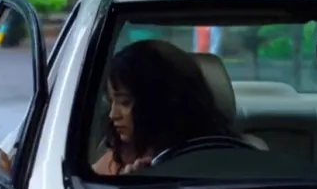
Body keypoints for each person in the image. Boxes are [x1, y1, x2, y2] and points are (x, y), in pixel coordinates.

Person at [92, 39, 240, 175]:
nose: (113, 114)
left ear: (159, 103)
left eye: (125, 102)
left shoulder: (227, 156)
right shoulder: (118, 158)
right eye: (111, 102)